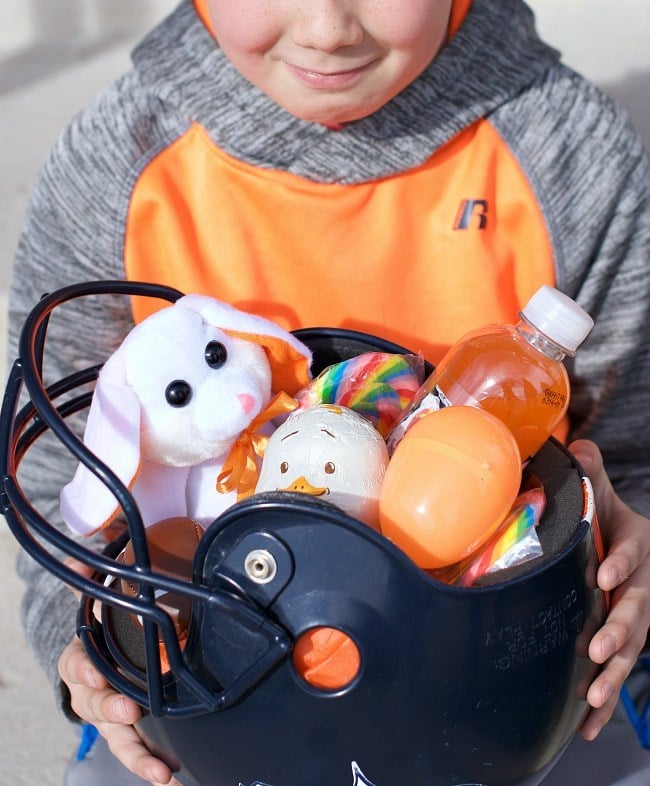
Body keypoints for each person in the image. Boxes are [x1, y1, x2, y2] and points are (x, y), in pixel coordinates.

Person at [7, 1, 649, 784]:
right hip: (203, 691)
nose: (324, 29)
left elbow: (632, 457)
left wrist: (636, 556)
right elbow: (57, 485)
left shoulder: (568, 155)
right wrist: (82, 658)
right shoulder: (121, 164)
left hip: (501, 692)